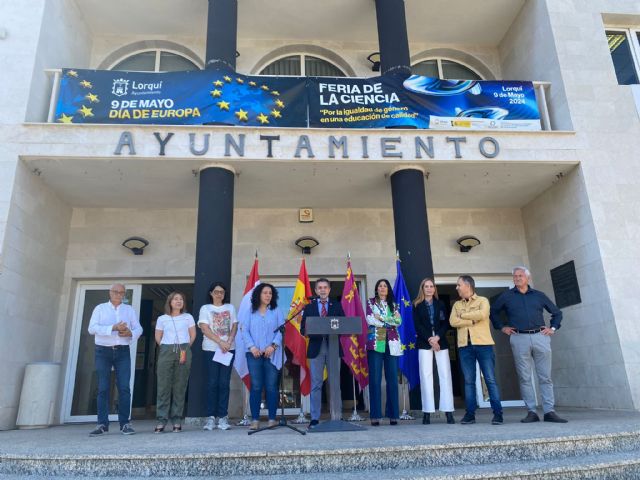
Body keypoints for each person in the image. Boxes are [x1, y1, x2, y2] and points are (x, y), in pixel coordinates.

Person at [490, 266, 567, 423]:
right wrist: (502, 327)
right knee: (525, 377)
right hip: (519, 338)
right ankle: (531, 411)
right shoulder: (507, 296)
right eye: (515, 276)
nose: (517, 278)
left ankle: (549, 411)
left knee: (545, 377)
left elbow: (557, 313)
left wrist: (552, 328)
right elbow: (493, 312)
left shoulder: (539, 296)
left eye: (520, 276)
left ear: (528, 278)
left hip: (540, 337)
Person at [87, 283, 142, 436]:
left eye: (122, 292)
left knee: (124, 387)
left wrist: (130, 333)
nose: (119, 294)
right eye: (116, 292)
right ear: (110, 293)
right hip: (102, 351)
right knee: (103, 387)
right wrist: (113, 328)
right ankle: (102, 424)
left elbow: (139, 328)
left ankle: (125, 423)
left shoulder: (129, 310)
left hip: (122, 351)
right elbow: (92, 328)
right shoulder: (100, 308)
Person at [450, 275, 503, 425]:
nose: (457, 287)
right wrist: (472, 319)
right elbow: (452, 321)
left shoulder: (483, 301)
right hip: (464, 347)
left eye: (458, 284)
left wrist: (464, 316)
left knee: (490, 379)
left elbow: (483, 314)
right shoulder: (456, 305)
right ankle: (470, 414)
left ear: (467, 285)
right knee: (468, 381)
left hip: (483, 345)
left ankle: (498, 413)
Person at [301, 278, 345, 429]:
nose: (323, 290)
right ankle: (314, 418)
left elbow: (344, 324)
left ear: (329, 290)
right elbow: (303, 329)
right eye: (320, 288)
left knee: (335, 383)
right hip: (316, 348)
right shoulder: (309, 307)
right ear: (316, 291)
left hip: (333, 346)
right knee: (316, 384)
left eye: (325, 287)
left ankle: (337, 416)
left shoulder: (337, 305)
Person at [240, 283, 284, 430]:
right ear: (258, 294)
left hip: (272, 354)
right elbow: (244, 331)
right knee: (256, 386)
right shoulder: (249, 312)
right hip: (254, 355)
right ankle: (255, 420)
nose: (268, 295)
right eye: (265, 293)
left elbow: (281, 330)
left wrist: (273, 346)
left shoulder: (276, 311)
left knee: (272, 387)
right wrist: (252, 347)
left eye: (270, 293)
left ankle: (272, 419)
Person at [412, 277, 455, 425]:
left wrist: (437, 338)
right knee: (426, 376)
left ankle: (448, 411)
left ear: (434, 289)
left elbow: (445, 323)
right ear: (422, 289)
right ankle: (427, 412)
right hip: (424, 343)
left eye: (431, 286)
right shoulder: (417, 305)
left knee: (445, 375)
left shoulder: (440, 304)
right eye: (426, 286)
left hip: (440, 342)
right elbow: (418, 326)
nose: (429, 289)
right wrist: (430, 339)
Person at [198, 282, 238, 431]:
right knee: (212, 382)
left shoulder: (230, 308)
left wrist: (228, 341)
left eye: (222, 292)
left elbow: (234, 326)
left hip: (228, 349)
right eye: (216, 291)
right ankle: (210, 417)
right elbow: (204, 328)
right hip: (211, 349)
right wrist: (220, 341)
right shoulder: (205, 308)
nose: (219, 294)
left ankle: (223, 417)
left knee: (224, 383)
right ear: (211, 293)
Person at [154, 291, 196, 433]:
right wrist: (167, 347)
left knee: (180, 386)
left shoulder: (188, 317)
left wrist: (184, 349)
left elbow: (193, 335)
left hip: (184, 348)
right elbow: (158, 337)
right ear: (170, 302)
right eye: (175, 299)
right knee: (163, 386)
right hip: (166, 349)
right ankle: (161, 420)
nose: (178, 301)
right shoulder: (162, 318)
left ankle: (177, 419)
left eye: (181, 299)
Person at [366, 279, 402, 426]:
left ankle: (393, 415)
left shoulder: (394, 304)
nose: (382, 288)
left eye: (385, 286)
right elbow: (369, 319)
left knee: (392, 379)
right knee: (374, 380)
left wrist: (381, 318)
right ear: (376, 288)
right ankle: (375, 416)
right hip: (376, 343)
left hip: (391, 343)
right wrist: (389, 321)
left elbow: (398, 321)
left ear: (388, 289)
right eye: (380, 285)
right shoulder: (370, 302)